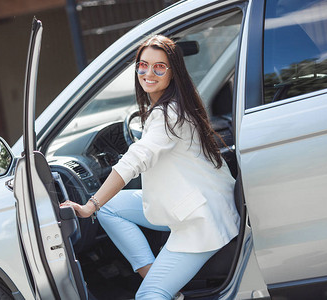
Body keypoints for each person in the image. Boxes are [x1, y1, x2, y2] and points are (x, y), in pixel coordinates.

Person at [61, 35, 240, 300]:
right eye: (143, 65)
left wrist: (89, 206)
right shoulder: (177, 107)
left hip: (201, 221)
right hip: (203, 202)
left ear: (173, 72)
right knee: (110, 208)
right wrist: (99, 204)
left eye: (159, 67)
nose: (149, 73)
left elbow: (135, 159)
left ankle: (162, 287)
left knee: (149, 296)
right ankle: (155, 274)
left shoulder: (167, 115)